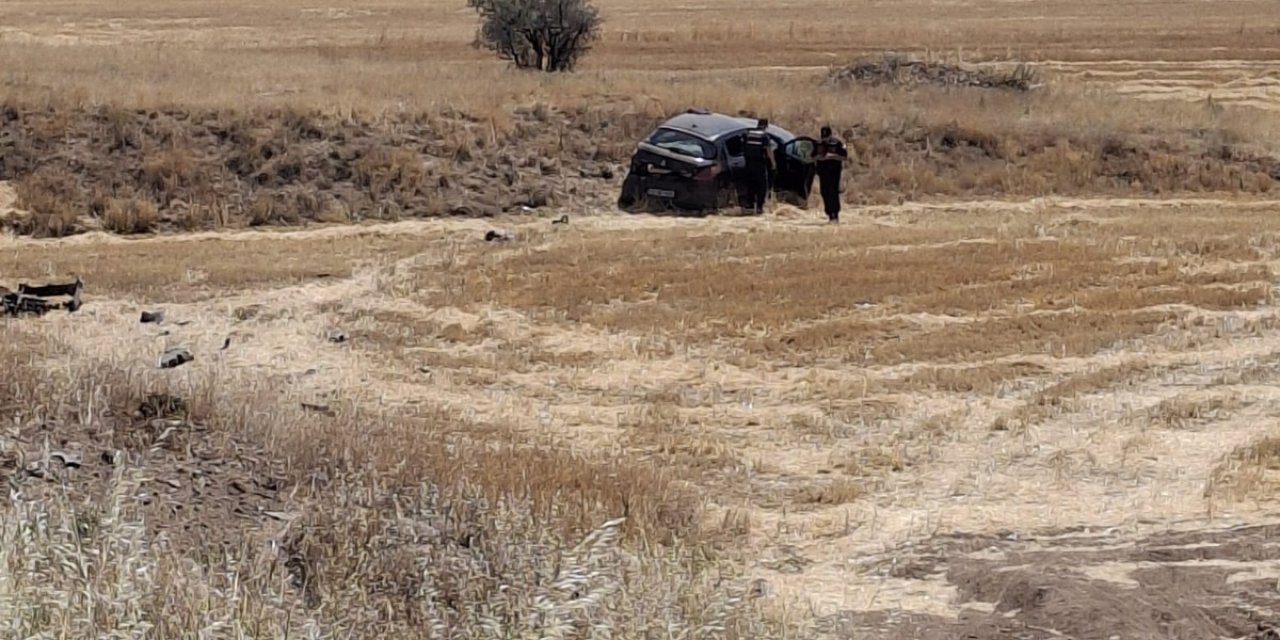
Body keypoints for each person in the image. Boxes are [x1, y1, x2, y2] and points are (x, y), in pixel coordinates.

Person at [814, 125, 849, 223]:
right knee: (824, 192)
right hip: (822, 172)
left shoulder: (837, 143)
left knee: (833, 192)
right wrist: (821, 157)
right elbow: (813, 156)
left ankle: (835, 214)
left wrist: (832, 156)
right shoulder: (818, 143)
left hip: (834, 172)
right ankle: (829, 214)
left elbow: (844, 157)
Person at [741, 118, 777, 215]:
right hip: (759, 163)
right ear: (766, 126)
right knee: (762, 186)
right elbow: (768, 150)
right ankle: (760, 207)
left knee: (751, 184)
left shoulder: (748, 133)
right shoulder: (764, 136)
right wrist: (773, 163)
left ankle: (749, 205)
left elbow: (743, 146)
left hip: (748, 163)